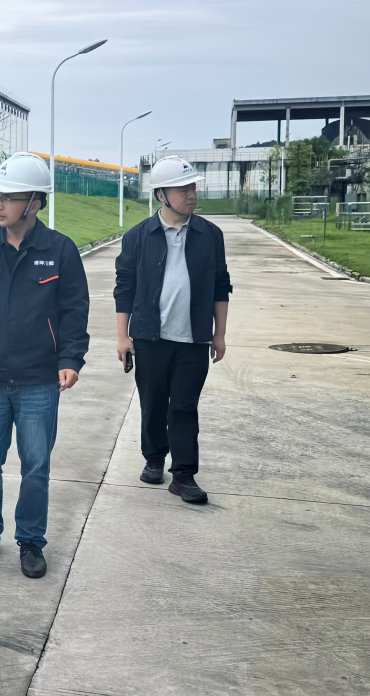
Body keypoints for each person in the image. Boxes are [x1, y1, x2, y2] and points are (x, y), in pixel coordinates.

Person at [0, 154, 90, 579]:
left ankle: (31, 540)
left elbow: (74, 311)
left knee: (36, 466)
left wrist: (71, 359)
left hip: (39, 381)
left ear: (34, 203)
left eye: (8, 198)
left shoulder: (60, 250)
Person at [114, 156, 231, 505]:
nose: (191, 194)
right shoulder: (137, 237)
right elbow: (125, 288)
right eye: (182, 189)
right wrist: (123, 337)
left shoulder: (210, 235)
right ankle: (153, 459)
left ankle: (183, 475)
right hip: (150, 337)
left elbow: (220, 285)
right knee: (152, 403)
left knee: (184, 406)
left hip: (194, 337)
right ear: (161, 195)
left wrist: (219, 333)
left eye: (192, 187)